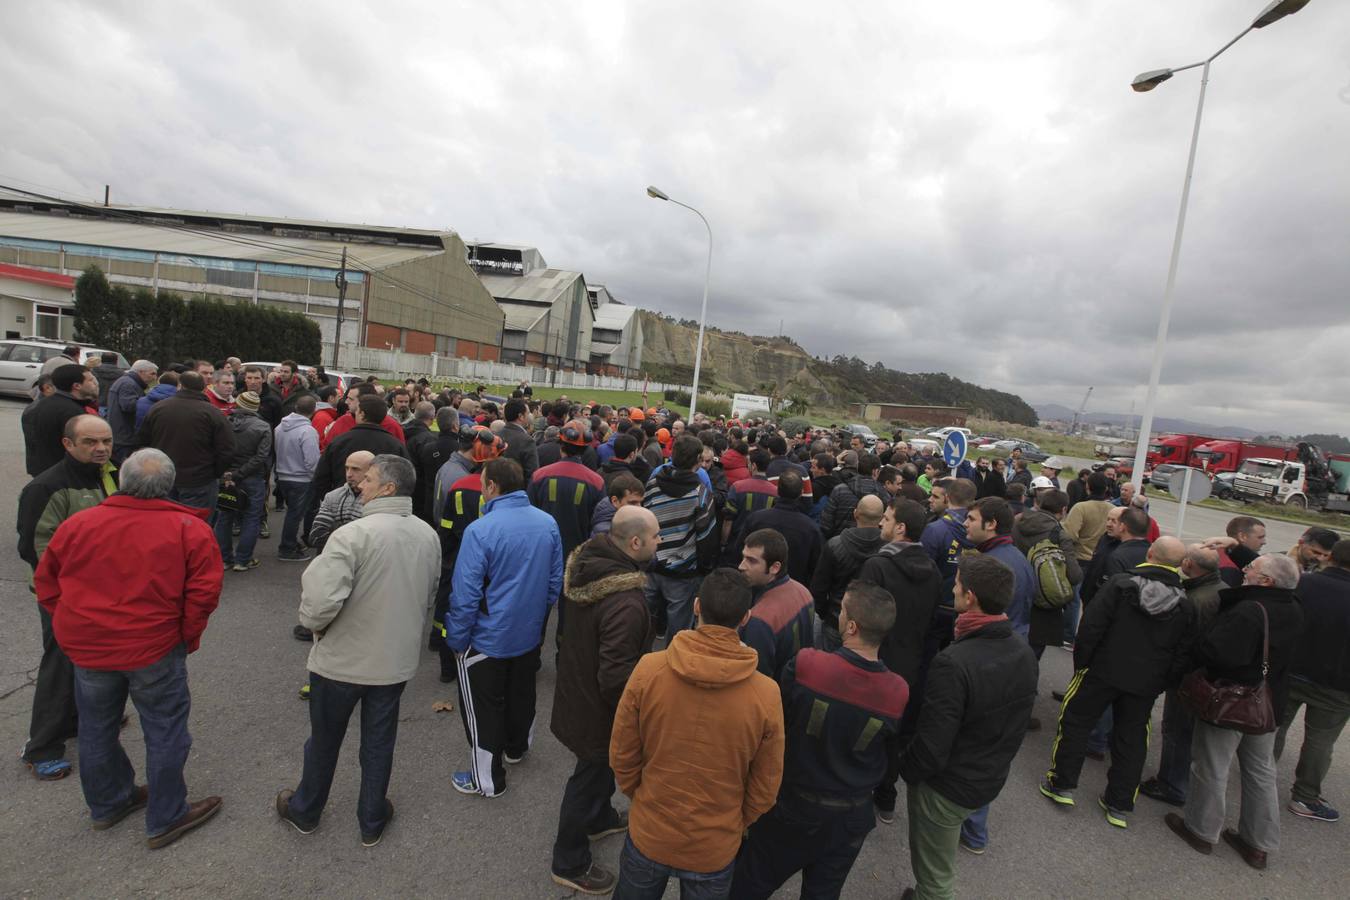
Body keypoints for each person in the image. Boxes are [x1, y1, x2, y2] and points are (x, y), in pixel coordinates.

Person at [33, 448, 223, 849]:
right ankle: (166, 815)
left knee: (96, 726)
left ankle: (109, 802)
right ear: (168, 486)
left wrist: (70, 624)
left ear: (123, 481)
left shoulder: (79, 524)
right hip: (153, 646)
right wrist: (186, 636)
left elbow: (47, 583)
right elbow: (203, 594)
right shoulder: (188, 529)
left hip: (90, 647)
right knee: (165, 729)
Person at [277, 455, 438, 847]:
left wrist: (320, 630)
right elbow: (429, 595)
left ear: (389, 488)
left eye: (367, 479)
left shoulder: (353, 534)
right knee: (379, 742)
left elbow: (317, 605)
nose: (359, 485)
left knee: (324, 740)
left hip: (341, 663)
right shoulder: (427, 535)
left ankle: (306, 810)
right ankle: (371, 817)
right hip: (393, 662)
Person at [609, 568, 784, 899]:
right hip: (714, 846)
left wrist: (641, 796)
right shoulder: (766, 693)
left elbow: (622, 752)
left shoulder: (649, 669)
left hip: (650, 830)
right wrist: (734, 821)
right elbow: (767, 784)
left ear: (697, 606)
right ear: (746, 617)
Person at [731, 582, 909, 900]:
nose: (839, 616)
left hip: (791, 805)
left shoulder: (807, 665)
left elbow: (772, 724)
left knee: (750, 883)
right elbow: (889, 753)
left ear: (852, 626)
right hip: (849, 816)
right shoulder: (896, 692)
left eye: (843, 612)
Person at [895, 555, 1037, 900]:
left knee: (934, 876)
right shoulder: (1021, 650)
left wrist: (907, 769)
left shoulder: (954, 662)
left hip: (946, 786)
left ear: (970, 596)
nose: (953, 588)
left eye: (957, 584)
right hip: (986, 773)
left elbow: (932, 743)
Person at [1040, 537, 1193, 828]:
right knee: (1132, 739)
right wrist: (1162, 681)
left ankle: (1062, 784)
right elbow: (1183, 651)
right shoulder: (1185, 603)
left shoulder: (1121, 585)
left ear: (1150, 553)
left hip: (1102, 671)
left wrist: (1083, 664)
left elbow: (1091, 626)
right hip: (1146, 683)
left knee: (1075, 722)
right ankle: (1119, 804)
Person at [548, 507, 661, 895]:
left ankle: (598, 818)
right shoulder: (626, 602)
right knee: (588, 776)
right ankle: (569, 860)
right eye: (656, 537)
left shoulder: (592, 564)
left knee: (598, 771)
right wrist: (641, 712)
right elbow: (616, 677)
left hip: (578, 693)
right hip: (599, 711)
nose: (660, 542)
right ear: (634, 543)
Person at [1166, 554, 1304, 870]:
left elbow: (1219, 654)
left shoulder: (1247, 610)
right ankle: (1258, 844)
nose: (1244, 570)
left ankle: (1201, 830)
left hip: (1230, 701)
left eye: (1252, 569)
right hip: (1268, 703)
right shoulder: (1294, 608)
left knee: (1212, 765)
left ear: (1267, 580)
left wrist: (1199, 645)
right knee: (1261, 772)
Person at [448, 458, 564, 798]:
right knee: (521, 692)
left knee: (483, 707)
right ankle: (517, 747)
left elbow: (465, 593)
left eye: (483, 483)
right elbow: (554, 580)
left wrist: (456, 638)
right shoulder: (547, 523)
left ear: (491, 487)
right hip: (527, 633)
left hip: (488, 637)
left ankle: (488, 779)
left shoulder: (480, 530)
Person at [16, 415, 118, 781]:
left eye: (105, 441)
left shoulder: (108, 476)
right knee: (59, 665)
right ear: (67, 444)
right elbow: (34, 548)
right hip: (64, 598)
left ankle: (76, 719)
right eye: (90, 442)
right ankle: (41, 747)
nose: (101, 449)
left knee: (89, 661)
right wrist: (75, 592)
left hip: (99, 594)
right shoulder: (47, 487)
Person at [858, 498, 944, 824]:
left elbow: (862, 619)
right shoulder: (933, 571)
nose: (881, 523)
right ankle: (886, 795)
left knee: (862, 733)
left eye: (888, 518)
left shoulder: (877, 566)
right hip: (909, 668)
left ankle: (857, 794)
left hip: (874, 663)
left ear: (901, 528)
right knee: (893, 736)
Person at [1139, 545, 1224, 807]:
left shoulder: (1196, 600)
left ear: (1188, 564)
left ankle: (1172, 784)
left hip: (1189, 677)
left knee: (1177, 730)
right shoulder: (1220, 590)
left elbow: (1186, 642)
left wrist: (1171, 675)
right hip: (1207, 677)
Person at [1273, 538, 1350, 823]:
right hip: (1337, 684)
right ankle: (1304, 797)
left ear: (1330, 558)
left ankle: (1260, 778)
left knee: (1276, 726)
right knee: (1320, 741)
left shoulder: (1303, 582)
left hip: (1291, 670)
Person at [643, 435, 719, 641]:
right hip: (682, 571)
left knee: (641, 621)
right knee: (678, 632)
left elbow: (643, 517)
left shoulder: (652, 483)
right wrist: (704, 568)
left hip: (649, 562)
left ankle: (639, 664)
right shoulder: (700, 494)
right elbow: (706, 536)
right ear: (697, 461)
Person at [134, 371, 235, 514]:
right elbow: (227, 449)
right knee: (196, 525)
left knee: (167, 523)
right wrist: (214, 473)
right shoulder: (213, 413)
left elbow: (142, 442)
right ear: (204, 387)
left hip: (165, 477)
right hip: (198, 480)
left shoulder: (158, 408)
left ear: (180, 386)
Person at [737, 528, 815, 680]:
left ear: (775, 567)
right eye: (743, 557)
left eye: (751, 560)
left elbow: (757, 678)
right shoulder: (804, 592)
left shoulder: (760, 620)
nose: (741, 566)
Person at [811, 494, 886, 651]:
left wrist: (827, 614)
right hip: (871, 626)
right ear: (881, 518)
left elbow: (819, 588)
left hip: (836, 620)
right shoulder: (888, 549)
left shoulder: (834, 545)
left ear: (855, 513)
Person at [308, 396, 407, 515]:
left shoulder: (339, 441)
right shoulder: (396, 445)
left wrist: (334, 501)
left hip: (342, 509)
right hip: (380, 509)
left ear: (361, 414)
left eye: (357, 411)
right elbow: (404, 480)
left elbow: (321, 478)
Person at [215, 391, 272, 572]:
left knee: (225, 516)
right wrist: (240, 474)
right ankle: (243, 559)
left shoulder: (224, 423)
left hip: (226, 475)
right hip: (252, 477)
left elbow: (217, 450)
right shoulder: (262, 426)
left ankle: (224, 558)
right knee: (251, 517)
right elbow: (261, 456)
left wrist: (228, 474)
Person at [734, 470, 822, 585]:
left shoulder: (755, 519)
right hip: (792, 587)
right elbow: (815, 566)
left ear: (777, 490)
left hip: (756, 583)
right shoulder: (811, 529)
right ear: (801, 493)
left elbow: (738, 550)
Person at [24, 364, 99, 477]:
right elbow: (82, 449)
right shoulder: (73, 412)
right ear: (77, 386)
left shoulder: (39, 405)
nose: (96, 383)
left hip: (42, 471)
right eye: (91, 380)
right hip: (64, 475)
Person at [275, 395, 321, 561]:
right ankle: (287, 547)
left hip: (282, 475)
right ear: (314, 410)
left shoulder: (280, 427)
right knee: (295, 515)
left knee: (292, 513)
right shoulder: (308, 431)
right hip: (301, 479)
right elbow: (312, 461)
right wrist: (315, 477)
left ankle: (290, 543)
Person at [106, 360, 157, 463]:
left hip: (120, 434)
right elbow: (128, 406)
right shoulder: (128, 384)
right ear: (141, 372)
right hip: (124, 436)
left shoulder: (126, 381)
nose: (154, 377)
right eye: (152, 373)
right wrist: (147, 402)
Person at [1215, 515, 1266, 588]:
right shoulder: (1230, 569)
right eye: (1260, 537)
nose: (1264, 542)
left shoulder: (1216, 552)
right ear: (1242, 536)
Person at [591, 472, 645, 537]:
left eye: (640, 502)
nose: (639, 508)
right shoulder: (606, 534)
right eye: (632, 503)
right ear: (615, 501)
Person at [500, 398, 540, 481]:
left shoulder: (497, 435)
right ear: (521, 416)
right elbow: (532, 473)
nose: (529, 416)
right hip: (518, 490)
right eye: (528, 413)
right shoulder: (527, 441)